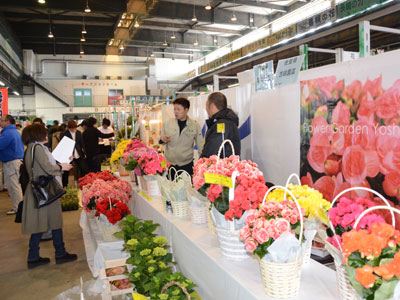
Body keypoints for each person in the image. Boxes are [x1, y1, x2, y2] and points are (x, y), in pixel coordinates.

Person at [21, 124, 77, 269]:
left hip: (39, 190)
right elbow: (48, 167)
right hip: (44, 190)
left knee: (42, 224)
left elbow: (44, 165)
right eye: (44, 133)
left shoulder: (32, 148)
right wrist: (61, 167)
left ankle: (35, 256)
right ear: (37, 134)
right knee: (54, 222)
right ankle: (59, 253)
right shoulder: (38, 148)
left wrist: (62, 163)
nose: (47, 135)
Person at [160, 98, 203, 177]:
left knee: (187, 187)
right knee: (168, 187)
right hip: (169, 164)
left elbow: (200, 146)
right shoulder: (168, 123)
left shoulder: (194, 125)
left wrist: (203, 164)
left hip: (187, 165)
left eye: (178, 109)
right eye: (174, 109)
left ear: (186, 110)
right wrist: (162, 139)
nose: (176, 111)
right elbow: (160, 140)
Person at [201, 92, 240, 158]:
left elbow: (212, 150)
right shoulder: (227, 121)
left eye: (207, 105)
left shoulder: (221, 124)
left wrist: (202, 162)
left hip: (220, 166)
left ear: (212, 106)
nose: (206, 109)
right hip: (227, 165)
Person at [0, 115, 24, 215]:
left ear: (8, 122)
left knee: (14, 186)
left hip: (11, 163)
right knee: (16, 186)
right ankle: (19, 207)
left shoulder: (8, 133)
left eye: (2, 120)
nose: (0, 122)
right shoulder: (15, 132)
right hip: (16, 162)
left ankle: (18, 208)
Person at [60, 120, 89, 186]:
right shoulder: (64, 134)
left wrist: (84, 152)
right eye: (72, 128)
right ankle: (65, 186)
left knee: (83, 169)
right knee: (66, 172)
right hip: (68, 155)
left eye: (75, 128)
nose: (74, 129)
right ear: (69, 128)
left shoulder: (78, 133)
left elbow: (82, 143)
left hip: (78, 153)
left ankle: (83, 183)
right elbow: (62, 145)